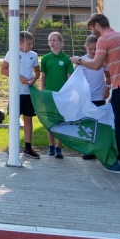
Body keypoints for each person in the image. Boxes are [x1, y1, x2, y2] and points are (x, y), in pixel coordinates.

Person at [70, 13, 120, 174]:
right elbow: (110, 61)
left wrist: (79, 61)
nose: (93, 34)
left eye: (92, 29)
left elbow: (96, 65)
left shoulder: (104, 39)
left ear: (97, 25)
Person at [0, 30, 40, 159]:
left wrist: (34, 78)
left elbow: (37, 71)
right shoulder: (11, 53)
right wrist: (19, 77)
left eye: (32, 43)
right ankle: (12, 146)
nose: (31, 46)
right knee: (14, 119)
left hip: (28, 93)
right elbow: (3, 70)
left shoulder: (33, 55)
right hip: (16, 92)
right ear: (20, 43)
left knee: (28, 118)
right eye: (28, 44)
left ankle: (27, 147)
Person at [40, 31, 73, 159]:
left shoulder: (66, 59)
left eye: (54, 40)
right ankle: (51, 146)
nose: (51, 43)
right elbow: (43, 75)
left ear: (60, 42)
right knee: (50, 120)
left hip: (62, 96)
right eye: (49, 40)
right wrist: (42, 90)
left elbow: (69, 77)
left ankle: (59, 147)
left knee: (61, 121)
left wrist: (69, 93)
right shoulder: (46, 59)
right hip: (50, 95)